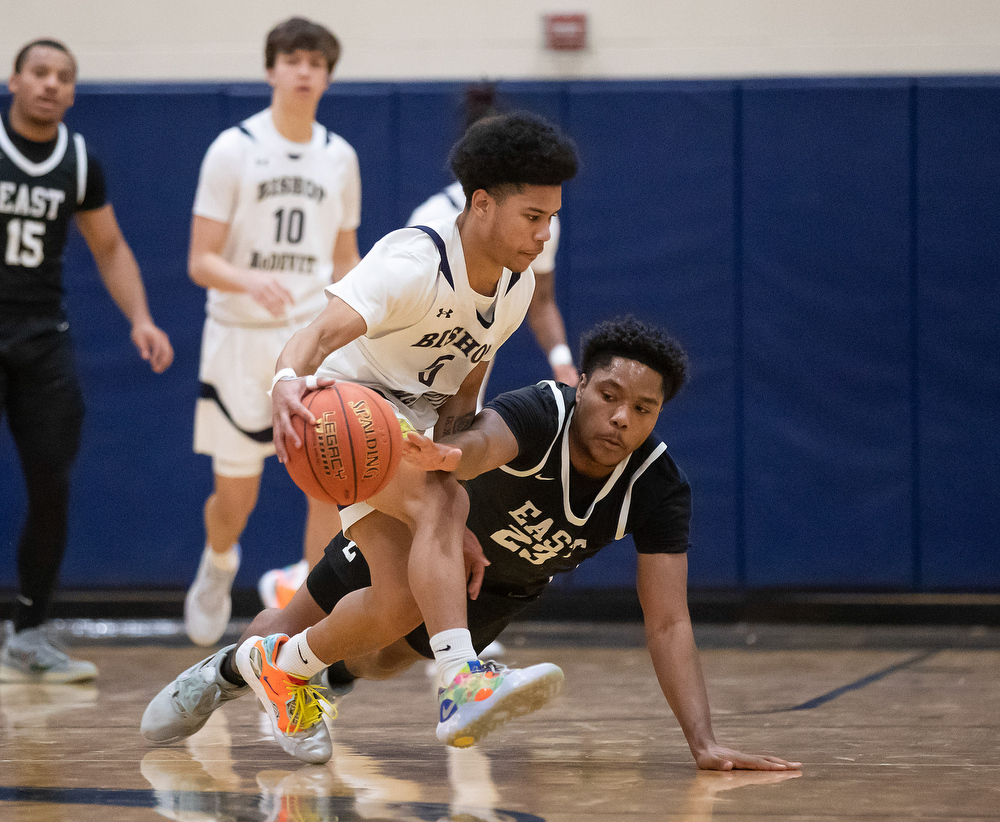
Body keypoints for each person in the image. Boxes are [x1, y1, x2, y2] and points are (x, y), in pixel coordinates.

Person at [142, 317, 801, 772]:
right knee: (302, 618)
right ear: (582, 388)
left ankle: (304, 678)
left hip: (502, 587)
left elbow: (669, 620)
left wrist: (703, 742)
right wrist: (449, 455)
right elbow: (485, 439)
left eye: (643, 408)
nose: (622, 417)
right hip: (422, 533)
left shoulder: (657, 487)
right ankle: (226, 673)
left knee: (380, 663)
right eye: (609, 395)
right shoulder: (544, 411)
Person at [144, 110, 579, 763]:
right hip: (341, 418)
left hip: (405, 432)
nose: (545, 235)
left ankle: (255, 667)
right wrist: (288, 381)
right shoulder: (414, 259)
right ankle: (462, 680)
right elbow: (317, 335)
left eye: (551, 219)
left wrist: (450, 464)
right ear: (482, 204)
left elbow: (463, 391)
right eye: (533, 217)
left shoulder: (513, 292)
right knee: (441, 502)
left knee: (400, 604)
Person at [183, 17, 362, 647]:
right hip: (239, 336)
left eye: (317, 61)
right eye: (293, 59)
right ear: (271, 69)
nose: (305, 70)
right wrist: (246, 280)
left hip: (307, 339)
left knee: (328, 482)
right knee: (237, 497)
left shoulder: (340, 157)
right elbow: (200, 259)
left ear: (328, 75)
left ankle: (303, 623)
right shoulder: (232, 149)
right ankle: (219, 560)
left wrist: (362, 320)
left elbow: (347, 258)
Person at [0, 38, 174, 682]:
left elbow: (110, 247)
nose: (50, 84)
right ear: (14, 80)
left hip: (43, 335)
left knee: (52, 483)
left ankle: (28, 634)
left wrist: (142, 319)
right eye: (39, 72)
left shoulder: (79, 160)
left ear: (73, 92)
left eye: (63, 77)